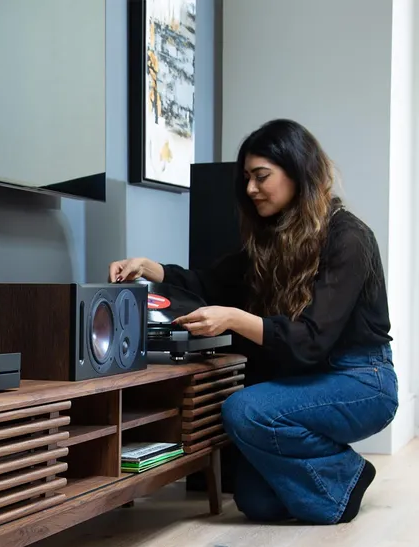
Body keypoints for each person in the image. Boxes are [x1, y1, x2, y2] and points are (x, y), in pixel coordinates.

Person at [109, 118, 398, 525]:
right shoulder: (275, 238)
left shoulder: (349, 238)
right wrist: (149, 267)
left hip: (363, 379)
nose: (250, 189)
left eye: (261, 177)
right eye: (246, 178)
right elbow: (210, 282)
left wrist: (234, 318)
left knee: (244, 410)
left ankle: (345, 475)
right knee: (255, 502)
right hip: (311, 378)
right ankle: (335, 476)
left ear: (298, 172)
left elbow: (312, 339)